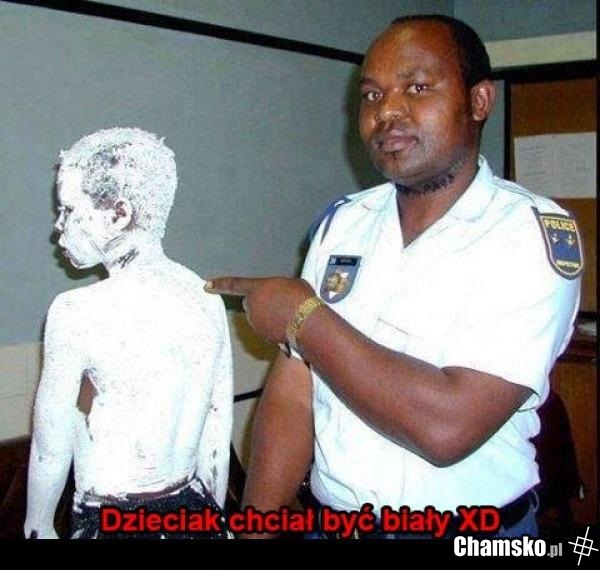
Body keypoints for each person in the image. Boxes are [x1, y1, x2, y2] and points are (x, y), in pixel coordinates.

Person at [205, 14, 582, 539]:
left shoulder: (528, 233)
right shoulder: (344, 224)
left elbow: (447, 429)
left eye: (418, 87)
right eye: (372, 95)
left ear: (478, 101)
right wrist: (254, 529)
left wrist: (303, 318)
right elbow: (295, 393)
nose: (387, 111)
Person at [25, 127, 233, 539]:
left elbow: (50, 450)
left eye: (68, 209)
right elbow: (216, 430)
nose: (59, 226)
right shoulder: (206, 296)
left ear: (119, 214)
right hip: (197, 512)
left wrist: (38, 526)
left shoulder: (75, 311)